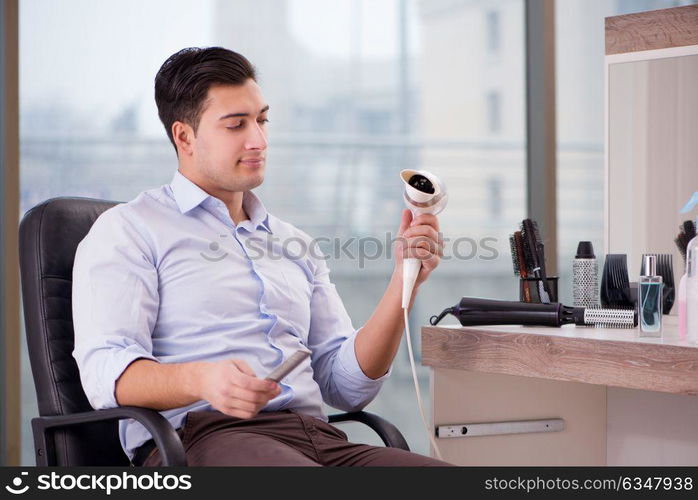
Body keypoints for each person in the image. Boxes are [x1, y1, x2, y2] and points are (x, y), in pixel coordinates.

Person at [72, 46, 449, 466]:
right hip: (199, 441)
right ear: (185, 136)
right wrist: (203, 378)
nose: (259, 140)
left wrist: (403, 281)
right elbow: (105, 370)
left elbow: (346, 387)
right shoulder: (129, 230)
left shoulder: (294, 243)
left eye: (262, 120)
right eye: (236, 125)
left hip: (316, 439)